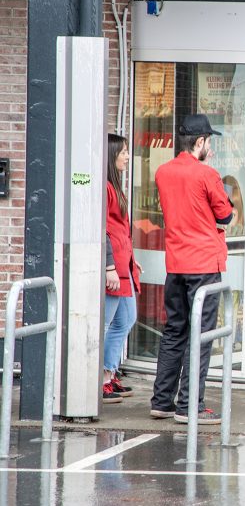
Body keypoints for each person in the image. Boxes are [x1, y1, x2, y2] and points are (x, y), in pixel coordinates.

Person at [151, 114, 233, 424]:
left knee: (174, 330)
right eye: (208, 142)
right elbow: (224, 215)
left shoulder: (163, 172)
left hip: (176, 264)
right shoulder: (206, 175)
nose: (209, 148)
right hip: (203, 265)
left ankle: (162, 401)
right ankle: (189, 406)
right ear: (199, 142)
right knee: (201, 335)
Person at [103, 133, 142, 404]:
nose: (127, 156)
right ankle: (102, 378)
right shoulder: (104, 188)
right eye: (124, 151)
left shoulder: (115, 186)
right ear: (112, 154)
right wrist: (109, 266)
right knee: (107, 323)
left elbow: (119, 231)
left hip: (122, 265)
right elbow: (103, 230)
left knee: (126, 319)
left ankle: (109, 371)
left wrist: (130, 260)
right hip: (113, 268)